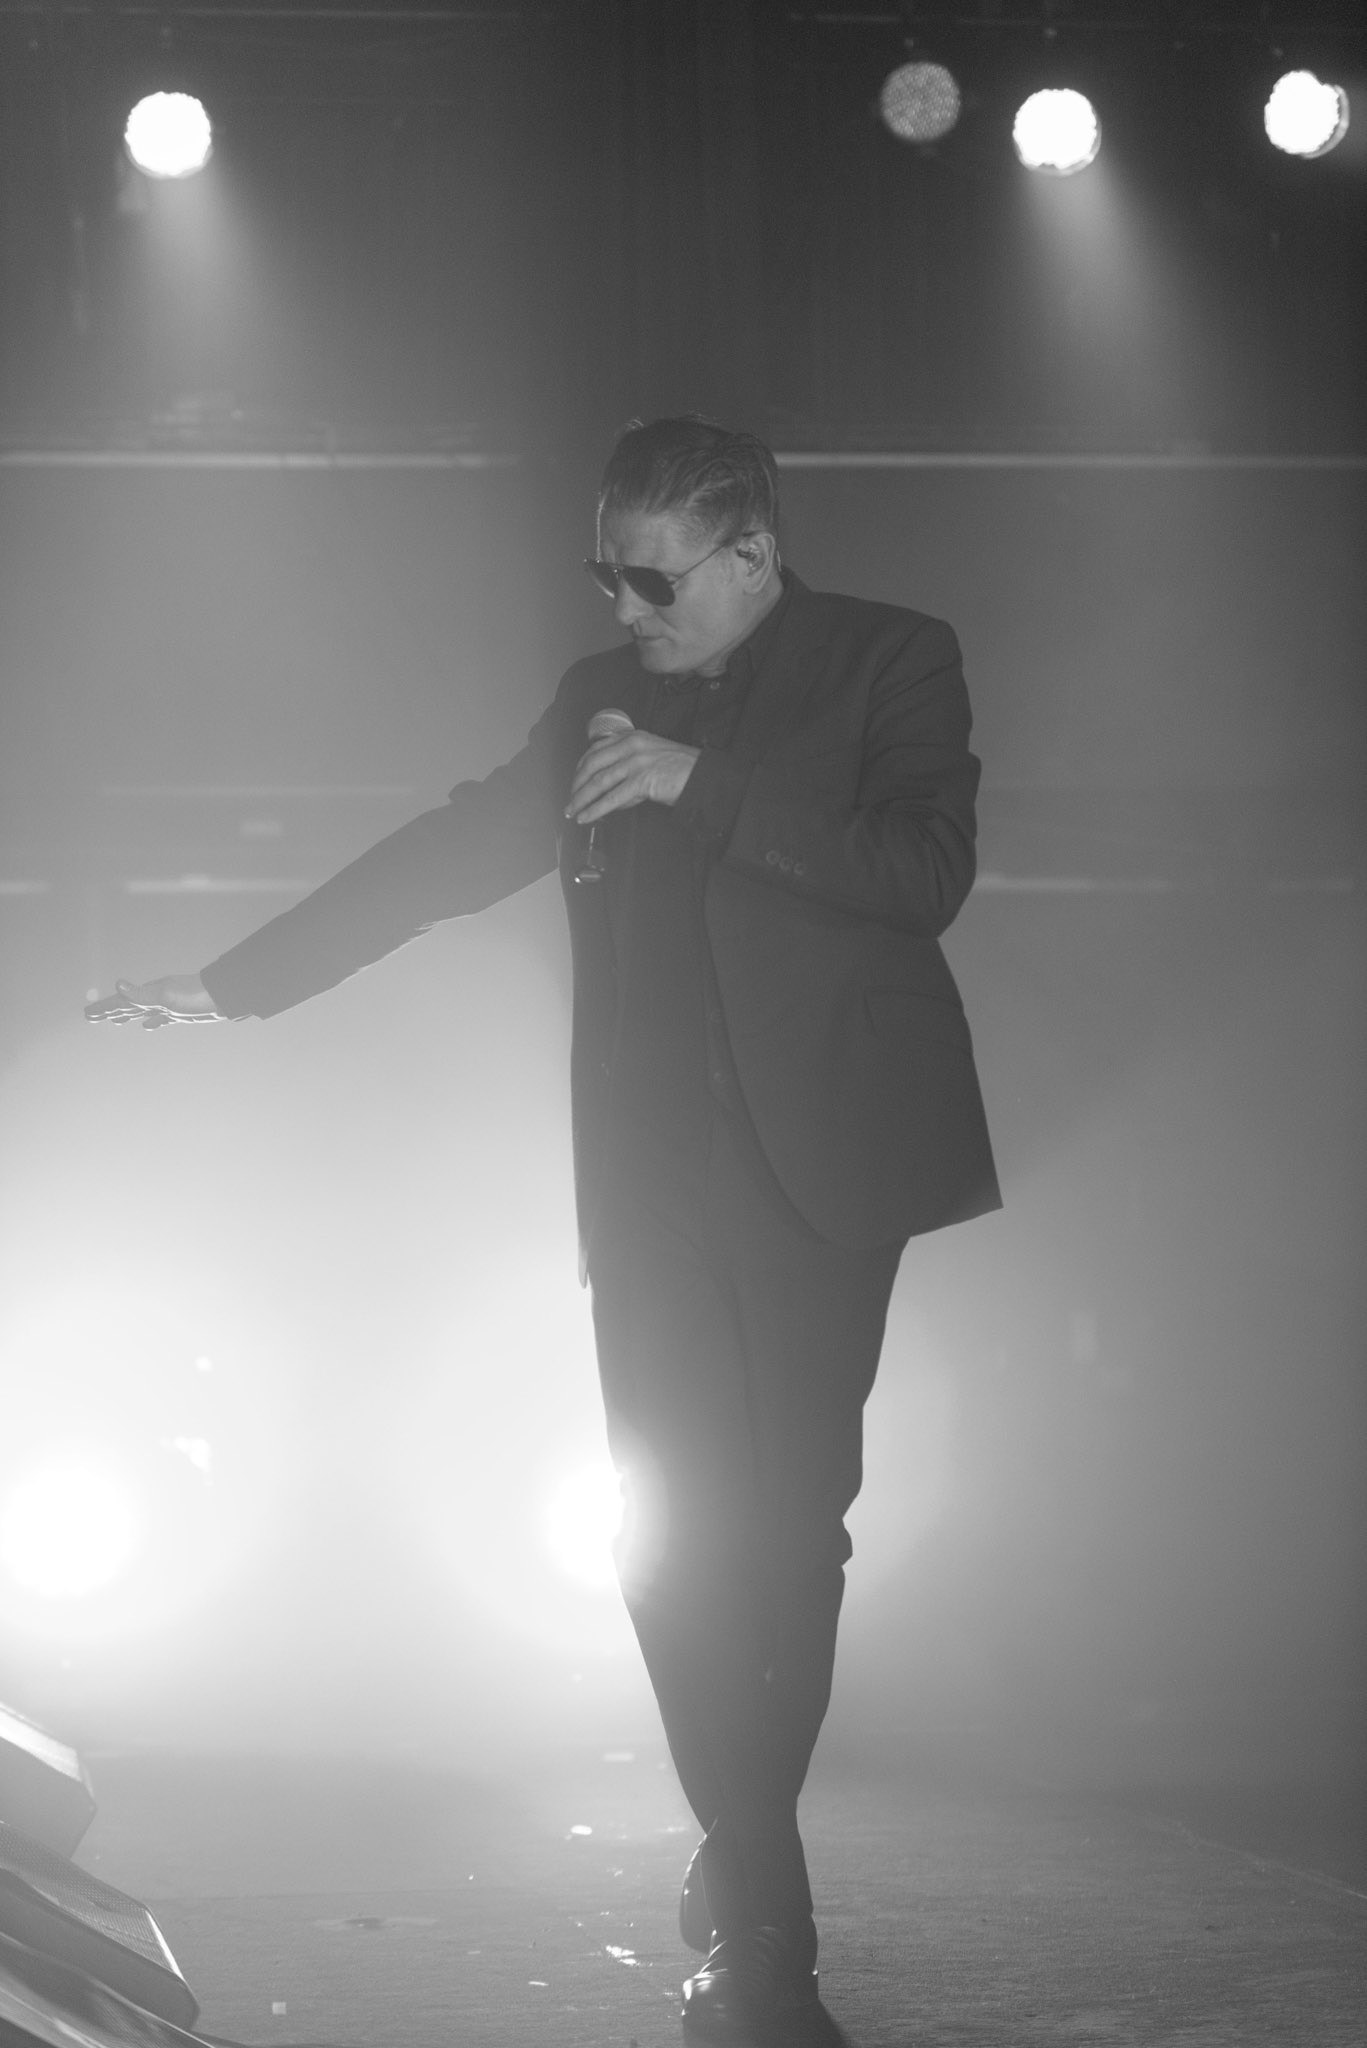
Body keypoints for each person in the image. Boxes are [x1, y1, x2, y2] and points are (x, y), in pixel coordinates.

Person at [87, 416, 1000, 2042]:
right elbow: (459, 848)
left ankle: (744, 1864)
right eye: (606, 576)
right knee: (666, 1534)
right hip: (645, 1179)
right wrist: (236, 984)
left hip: (820, 1175)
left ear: (752, 557)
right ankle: (765, 1906)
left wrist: (708, 786)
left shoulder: (889, 659)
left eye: (654, 579)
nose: (626, 608)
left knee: (791, 1533)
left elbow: (925, 869)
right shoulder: (598, 697)